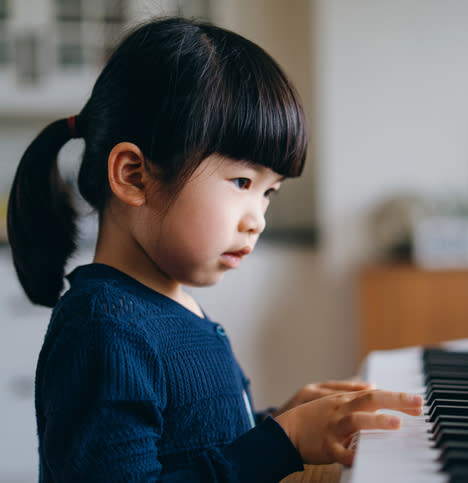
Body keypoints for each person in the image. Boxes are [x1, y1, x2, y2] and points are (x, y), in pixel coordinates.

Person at [6, 16, 423, 482]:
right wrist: (281, 443)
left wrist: (273, 422)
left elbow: (191, 448)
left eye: (269, 192)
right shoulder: (105, 329)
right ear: (133, 176)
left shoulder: (165, 304)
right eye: (242, 182)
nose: (257, 218)